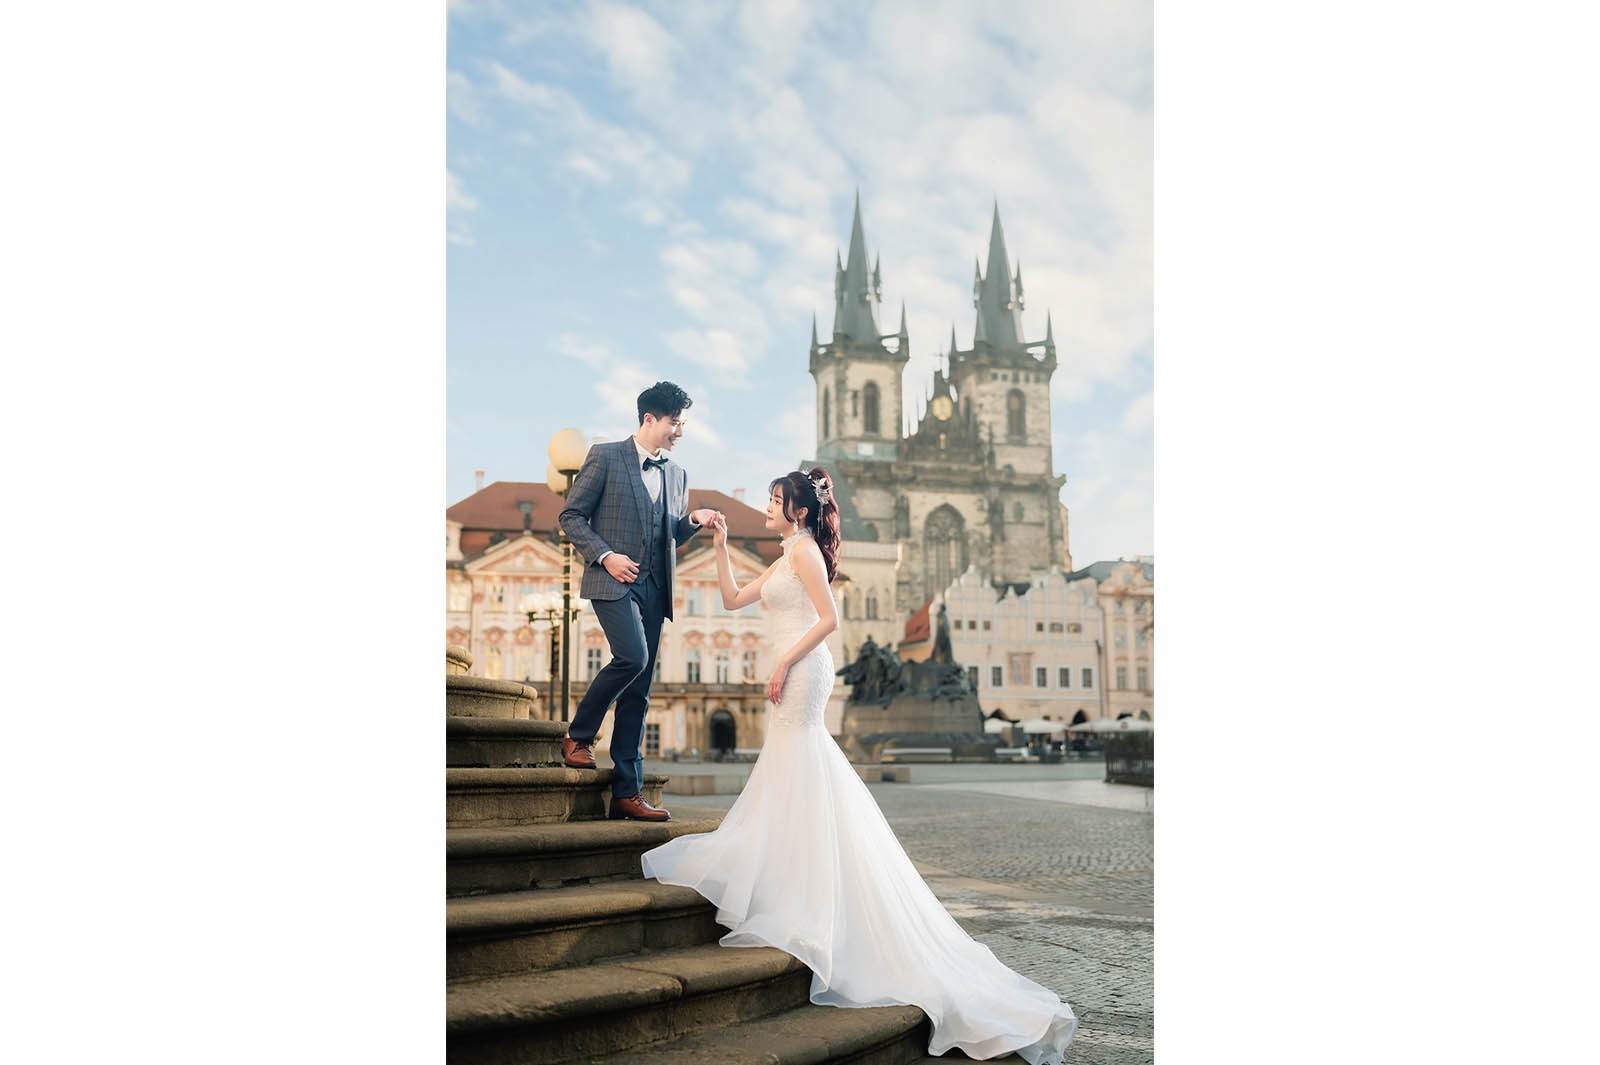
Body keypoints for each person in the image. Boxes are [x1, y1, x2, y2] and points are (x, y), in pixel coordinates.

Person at [641, 468, 1077, 1064]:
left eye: (774, 500)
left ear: (797, 511)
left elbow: (829, 621)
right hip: (791, 666)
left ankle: (810, 888)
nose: (766, 507)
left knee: (800, 760)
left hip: (802, 669)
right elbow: (733, 599)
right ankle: (797, 872)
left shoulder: (806, 554)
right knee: (792, 769)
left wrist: (782, 663)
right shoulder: (787, 552)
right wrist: (719, 545)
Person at [556, 381, 723, 822]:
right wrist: (606, 556)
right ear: (650, 418)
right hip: (613, 580)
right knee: (632, 657)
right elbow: (570, 516)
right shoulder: (605, 456)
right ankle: (578, 735)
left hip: (655, 587)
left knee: (640, 690)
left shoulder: (677, 474)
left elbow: (667, 533)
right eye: (675, 422)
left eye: (682, 423)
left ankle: (627, 793)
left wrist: (691, 520)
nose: (680, 431)